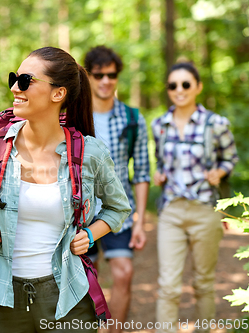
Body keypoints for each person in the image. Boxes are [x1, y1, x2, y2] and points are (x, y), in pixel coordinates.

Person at [0, 46, 131, 332]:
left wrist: (90, 234)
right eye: (14, 78)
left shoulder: (89, 153)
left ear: (58, 93)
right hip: (4, 295)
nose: (16, 87)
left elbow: (119, 208)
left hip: (68, 296)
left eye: (26, 80)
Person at [152, 62, 238, 333]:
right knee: (168, 285)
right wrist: (160, 175)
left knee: (203, 282)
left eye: (186, 84)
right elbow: (161, 162)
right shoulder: (159, 125)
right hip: (172, 211)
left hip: (205, 210)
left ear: (198, 87)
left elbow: (230, 158)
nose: (179, 90)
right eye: (173, 85)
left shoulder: (216, 123)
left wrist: (220, 172)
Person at [83, 45, 150, 332]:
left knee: (124, 273)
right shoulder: (73, 117)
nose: (105, 81)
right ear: (88, 77)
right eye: (98, 75)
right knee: (87, 280)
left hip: (118, 214)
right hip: (81, 213)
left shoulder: (133, 119)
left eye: (111, 75)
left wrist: (140, 221)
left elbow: (143, 172)